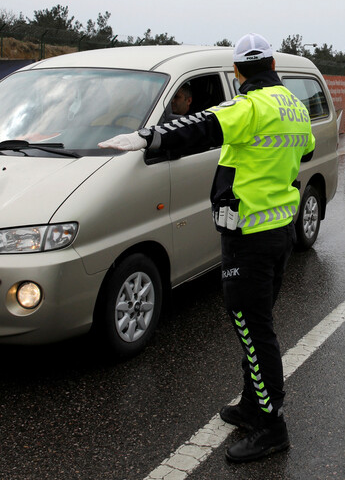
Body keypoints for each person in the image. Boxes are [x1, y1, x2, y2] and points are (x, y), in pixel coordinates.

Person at [98, 33, 314, 462]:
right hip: (278, 231)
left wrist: (147, 137)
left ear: (237, 72)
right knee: (259, 323)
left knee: (254, 332)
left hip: (249, 236)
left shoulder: (249, 105)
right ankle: (254, 406)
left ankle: (272, 427)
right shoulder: (296, 107)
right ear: (272, 64)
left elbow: (200, 126)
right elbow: (304, 152)